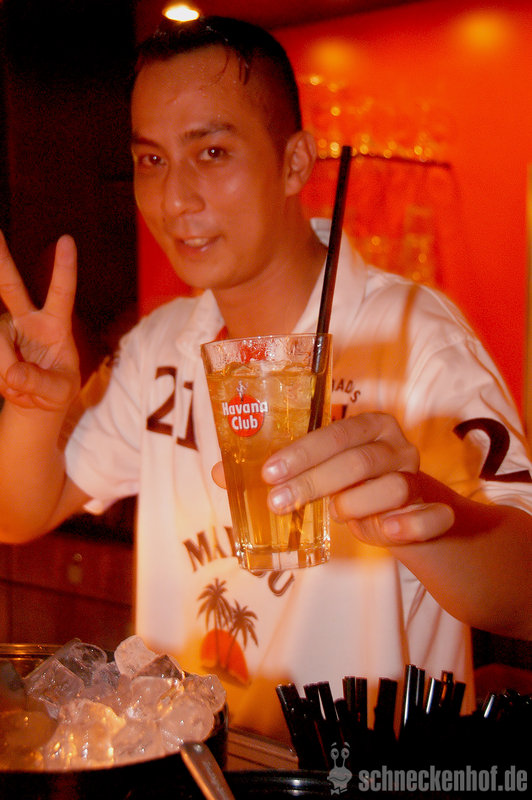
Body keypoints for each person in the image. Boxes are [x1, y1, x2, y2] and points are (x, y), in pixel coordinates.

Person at [0, 16, 531, 741]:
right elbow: (19, 514)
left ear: (294, 162)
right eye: (152, 160)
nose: (175, 199)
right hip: (193, 766)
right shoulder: (161, 345)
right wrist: (35, 407)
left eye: (211, 152)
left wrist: (418, 511)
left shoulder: (413, 334)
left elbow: (524, 593)